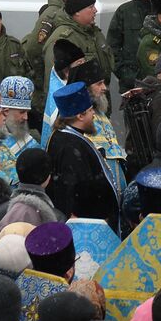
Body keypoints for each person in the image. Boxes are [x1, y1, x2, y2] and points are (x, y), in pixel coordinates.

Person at [45, 82, 122, 232]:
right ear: (80, 116)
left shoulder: (65, 136)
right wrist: (98, 218)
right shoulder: (69, 147)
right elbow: (75, 193)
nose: (94, 114)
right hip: (91, 228)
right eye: (90, 110)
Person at [109, 0, 160, 95]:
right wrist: (125, 75)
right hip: (131, 83)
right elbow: (111, 47)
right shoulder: (124, 11)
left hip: (160, 81)